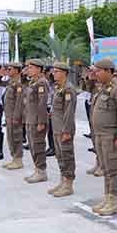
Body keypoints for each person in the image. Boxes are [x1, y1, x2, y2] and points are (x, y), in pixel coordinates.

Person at [85, 58, 117, 216]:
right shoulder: (102, 88)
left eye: (98, 71)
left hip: (111, 136)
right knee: (106, 169)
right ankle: (107, 197)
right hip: (99, 135)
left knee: (113, 170)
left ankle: (113, 200)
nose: (95, 74)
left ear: (108, 71)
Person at [48, 62, 78, 197]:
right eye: (53, 71)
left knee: (67, 156)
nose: (54, 74)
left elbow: (69, 112)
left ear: (64, 73)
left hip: (64, 129)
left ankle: (68, 184)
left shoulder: (68, 89)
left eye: (56, 71)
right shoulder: (58, 87)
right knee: (60, 156)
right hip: (56, 127)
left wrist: (67, 131)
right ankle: (62, 181)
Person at [23, 59, 51, 183]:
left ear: (39, 69)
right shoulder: (33, 82)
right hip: (30, 119)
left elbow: (42, 104)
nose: (28, 70)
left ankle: (41, 172)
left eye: (31, 67)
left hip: (37, 120)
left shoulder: (41, 83)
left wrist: (41, 122)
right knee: (33, 146)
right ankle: (37, 169)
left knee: (38, 146)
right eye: (28, 67)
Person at [2, 62, 26, 170]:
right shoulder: (11, 82)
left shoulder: (19, 83)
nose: (8, 71)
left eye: (10, 69)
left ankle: (18, 160)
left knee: (16, 137)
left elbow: (19, 102)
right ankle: (14, 158)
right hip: (8, 114)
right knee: (10, 137)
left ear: (17, 70)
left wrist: (16, 117)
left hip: (14, 116)